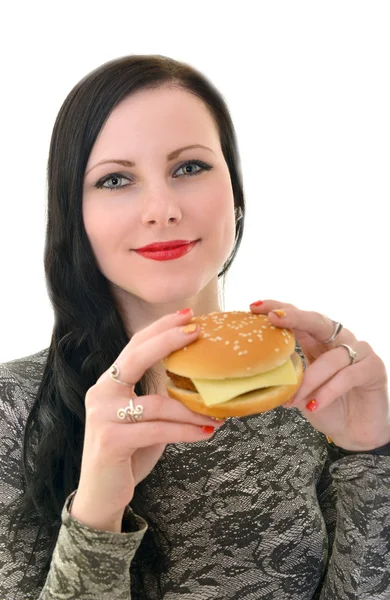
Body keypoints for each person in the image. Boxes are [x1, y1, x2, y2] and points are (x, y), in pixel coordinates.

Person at [0, 54, 389, 600]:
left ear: (235, 192)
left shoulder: (308, 390)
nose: (161, 209)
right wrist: (97, 514)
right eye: (115, 179)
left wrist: (371, 457)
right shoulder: (13, 411)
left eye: (189, 168)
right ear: (75, 214)